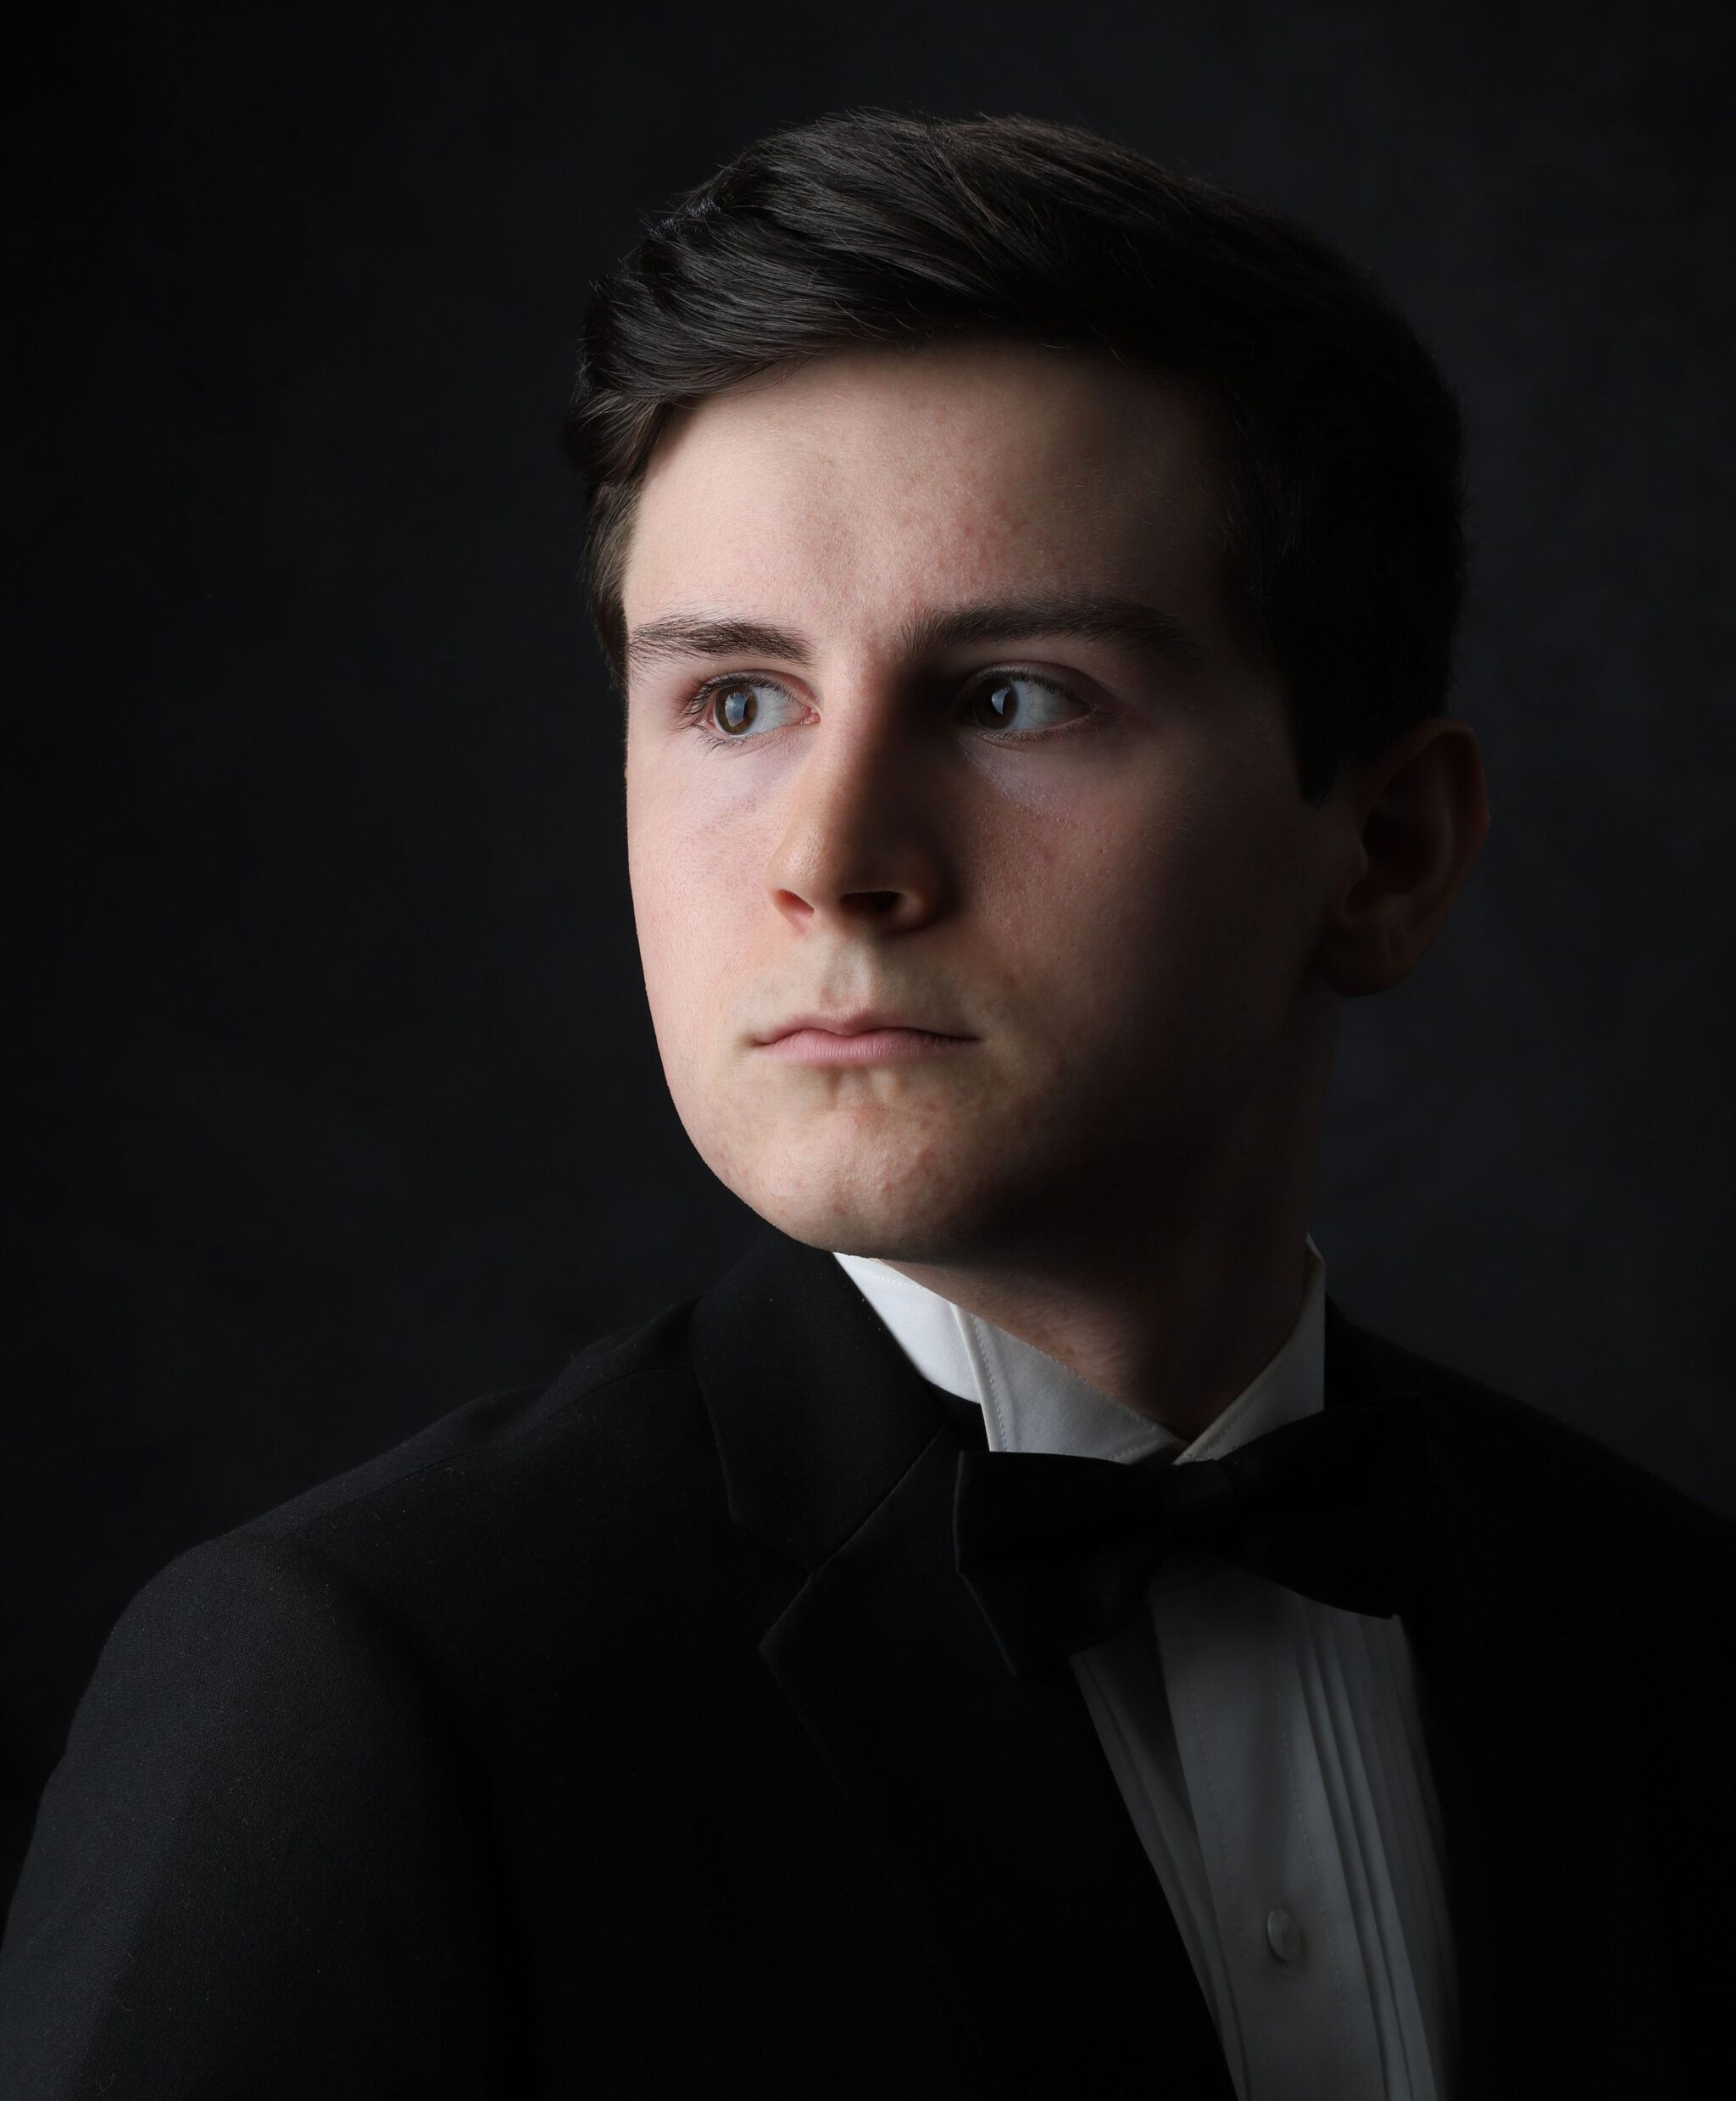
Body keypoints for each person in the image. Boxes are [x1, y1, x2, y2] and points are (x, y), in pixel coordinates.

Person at [0, 111, 1729, 2100]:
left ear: (1390, 850)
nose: (831, 856)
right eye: (734, 698)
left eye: (1014, 697)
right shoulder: (356, 1689)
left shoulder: (1676, 1646)